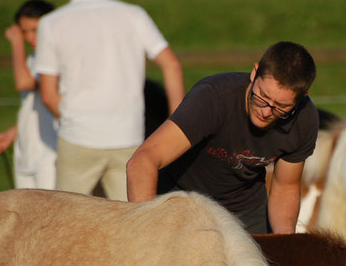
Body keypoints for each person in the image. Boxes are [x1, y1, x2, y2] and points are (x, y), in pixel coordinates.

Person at [126, 41, 319, 234]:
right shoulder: (213, 98)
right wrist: (147, 231)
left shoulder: (304, 120)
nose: (266, 111)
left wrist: (284, 240)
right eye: (262, 96)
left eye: (280, 107)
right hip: (181, 200)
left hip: (246, 211)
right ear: (254, 73)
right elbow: (143, 160)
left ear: (300, 99)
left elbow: (285, 188)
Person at [35, 0, 184, 201]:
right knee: (131, 225)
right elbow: (170, 64)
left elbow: (47, 95)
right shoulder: (133, 15)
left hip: (77, 138)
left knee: (67, 226)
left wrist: (75, 122)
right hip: (127, 138)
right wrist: (177, 125)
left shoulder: (50, 22)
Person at [0, 0, 57, 190]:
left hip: (51, 153)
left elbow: (23, 82)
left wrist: (17, 44)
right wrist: (13, 133)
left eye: (35, 30)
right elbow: (33, 106)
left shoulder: (55, 59)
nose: (29, 38)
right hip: (26, 152)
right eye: (24, 32)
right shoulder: (32, 59)